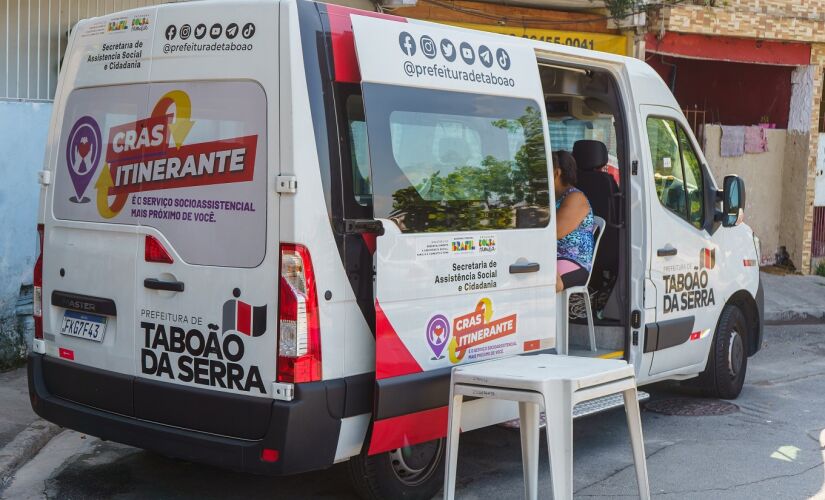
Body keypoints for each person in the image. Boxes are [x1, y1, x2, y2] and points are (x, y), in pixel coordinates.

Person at [553, 150, 594, 292]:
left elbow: (555, 232)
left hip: (573, 260)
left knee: (544, 279)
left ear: (557, 173)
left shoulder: (575, 197)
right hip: (552, 256)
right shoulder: (552, 198)